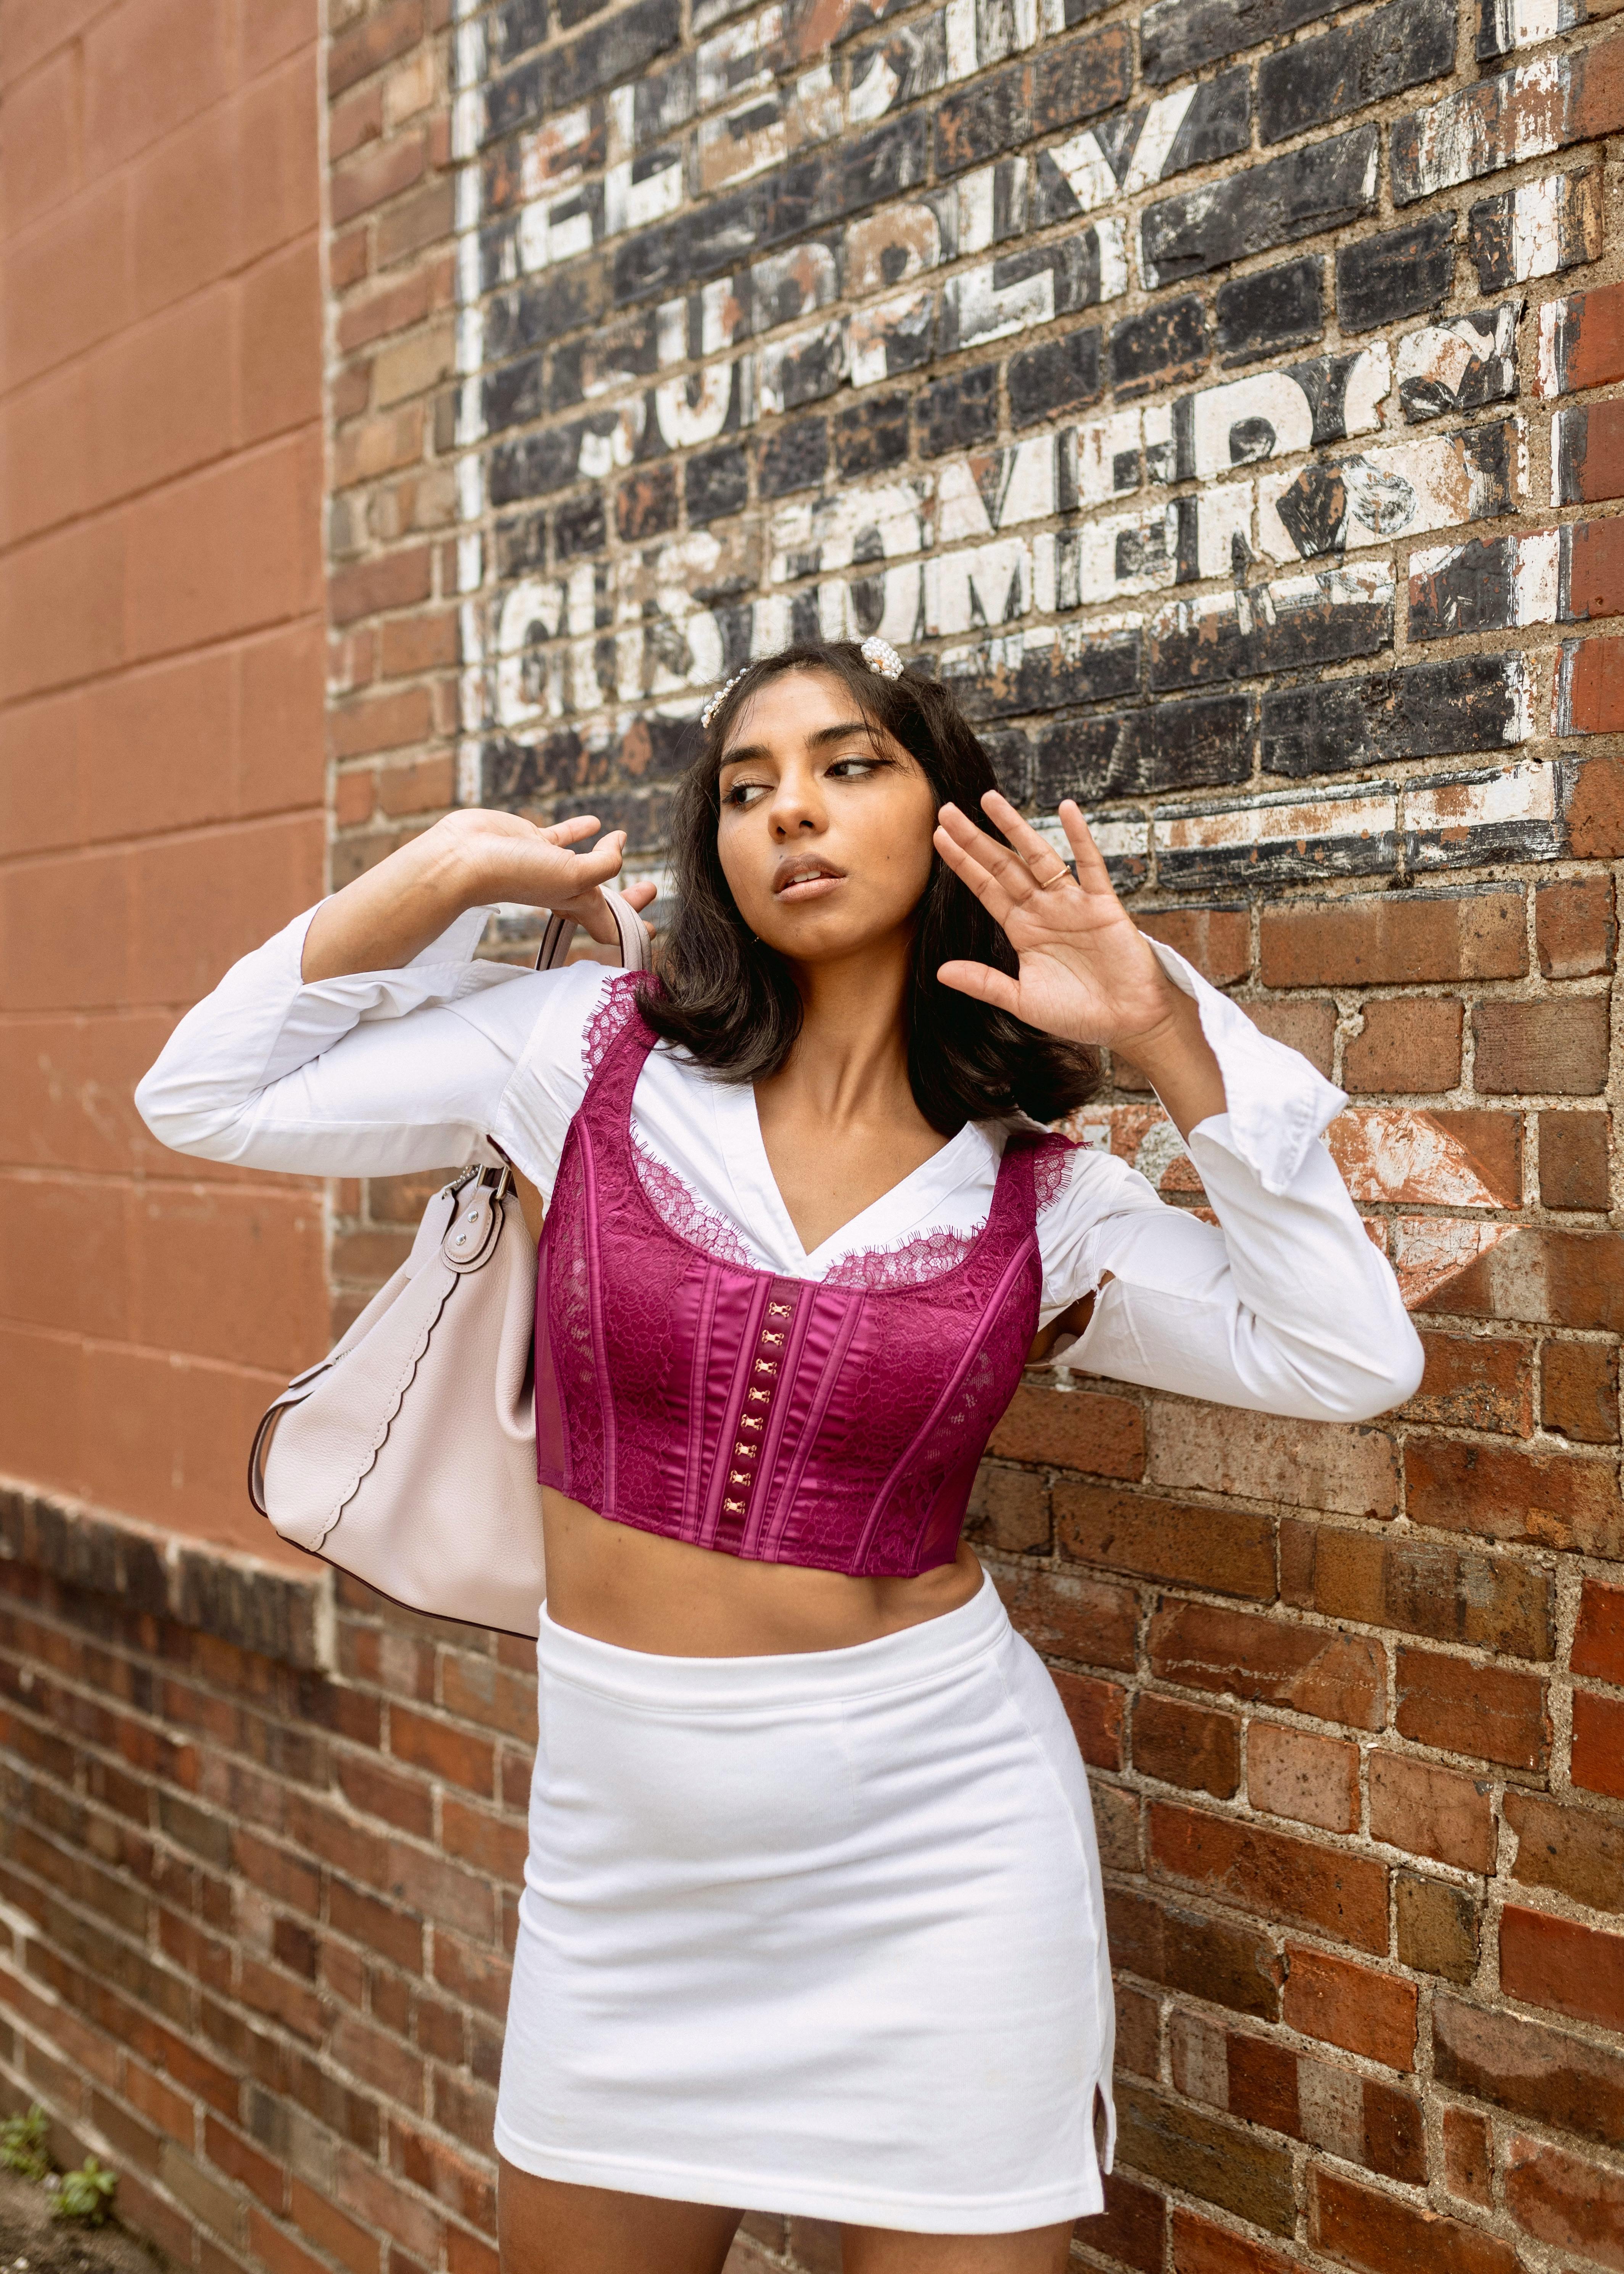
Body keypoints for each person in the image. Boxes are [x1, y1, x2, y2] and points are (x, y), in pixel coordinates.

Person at [136, 638, 1423, 2274]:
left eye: (847, 767)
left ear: (952, 823)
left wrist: (1160, 1019)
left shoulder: (1046, 1195)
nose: (790, 813)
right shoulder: (580, 1053)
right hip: (630, 1866)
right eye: (746, 789)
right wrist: (442, 872)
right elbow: (205, 1093)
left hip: (941, 1846)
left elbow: (1350, 1352)